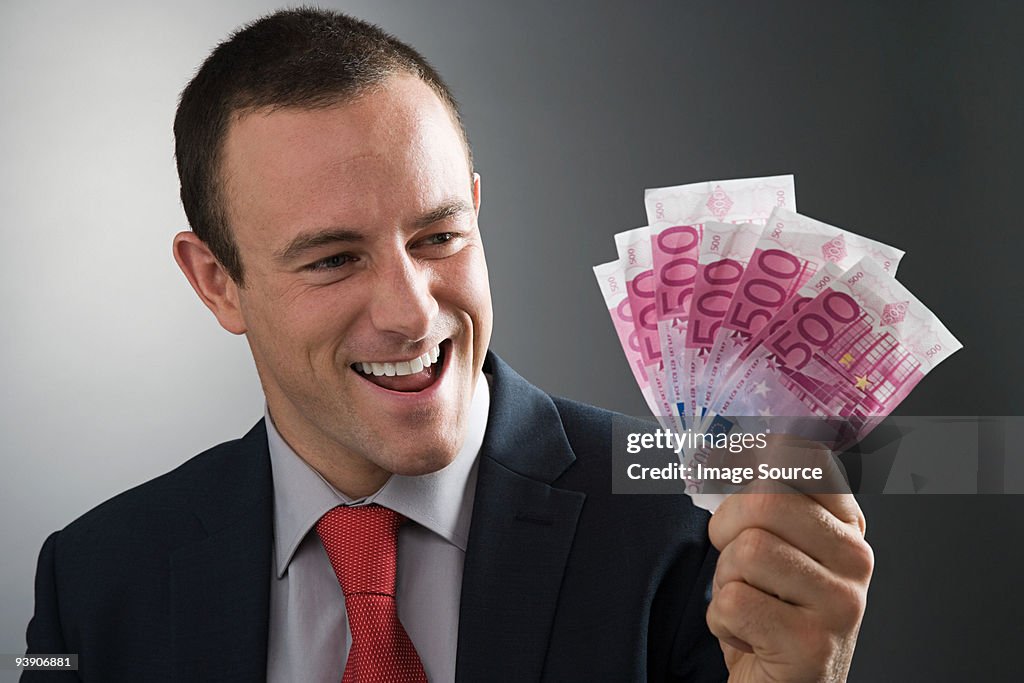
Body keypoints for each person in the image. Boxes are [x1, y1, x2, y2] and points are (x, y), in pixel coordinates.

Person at [23, 8, 872, 682]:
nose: (410, 311)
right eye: (332, 259)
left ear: (475, 205)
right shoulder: (91, 582)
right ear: (215, 280)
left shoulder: (688, 530)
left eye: (437, 237)